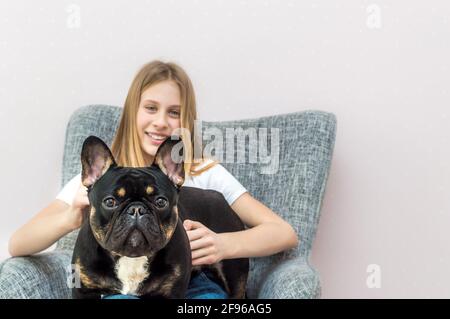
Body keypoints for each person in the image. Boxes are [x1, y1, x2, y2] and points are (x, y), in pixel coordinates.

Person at [8, 60, 298, 298]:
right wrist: (70, 217)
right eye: (150, 108)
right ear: (131, 111)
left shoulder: (202, 172)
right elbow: (18, 244)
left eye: (174, 112)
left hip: (189, 286)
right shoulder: (102, 179)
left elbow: (284, 233)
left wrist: (223, 244)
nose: (161, 121)